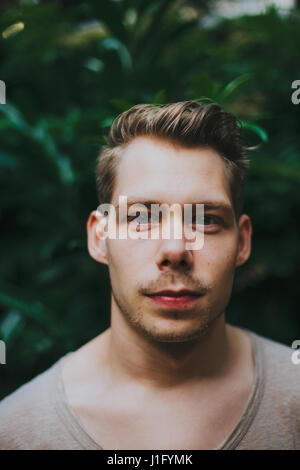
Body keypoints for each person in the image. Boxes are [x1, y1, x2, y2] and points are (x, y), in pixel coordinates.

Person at [0, 101, 299, 450]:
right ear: (99, 238)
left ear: (243, 241)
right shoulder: (14, 433)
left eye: (206, 219)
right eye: (141, 218)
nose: (175, 250)